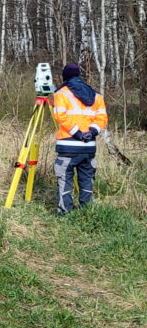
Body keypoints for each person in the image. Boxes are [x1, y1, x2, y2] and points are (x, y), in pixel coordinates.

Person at [52, 62, 108, 215]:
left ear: (65, 77)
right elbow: (102, 118)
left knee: (64, 178)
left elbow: (60, 116)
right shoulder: (96, 96)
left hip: (68, 146)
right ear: (79, 76)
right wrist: (91, 132)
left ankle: (64, 211)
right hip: (88, 147)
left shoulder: (61, 94)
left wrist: (77, 133)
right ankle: (87, 209)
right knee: (86, 179)